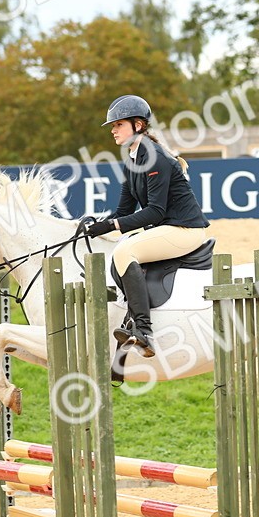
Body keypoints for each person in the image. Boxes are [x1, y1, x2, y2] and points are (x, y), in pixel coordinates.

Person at [79, 94, 210, 358]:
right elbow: (124, 212)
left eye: (118, 125)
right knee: (118, 243)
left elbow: (154, 211)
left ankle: (143, 330)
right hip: (166, 227)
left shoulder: (155, 157)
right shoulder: (132, 159)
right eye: (113, 126)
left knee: (126, 252)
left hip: (186, 230)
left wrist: (112, 225)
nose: (113, 130)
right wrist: (99, 224)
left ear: (138, 125)